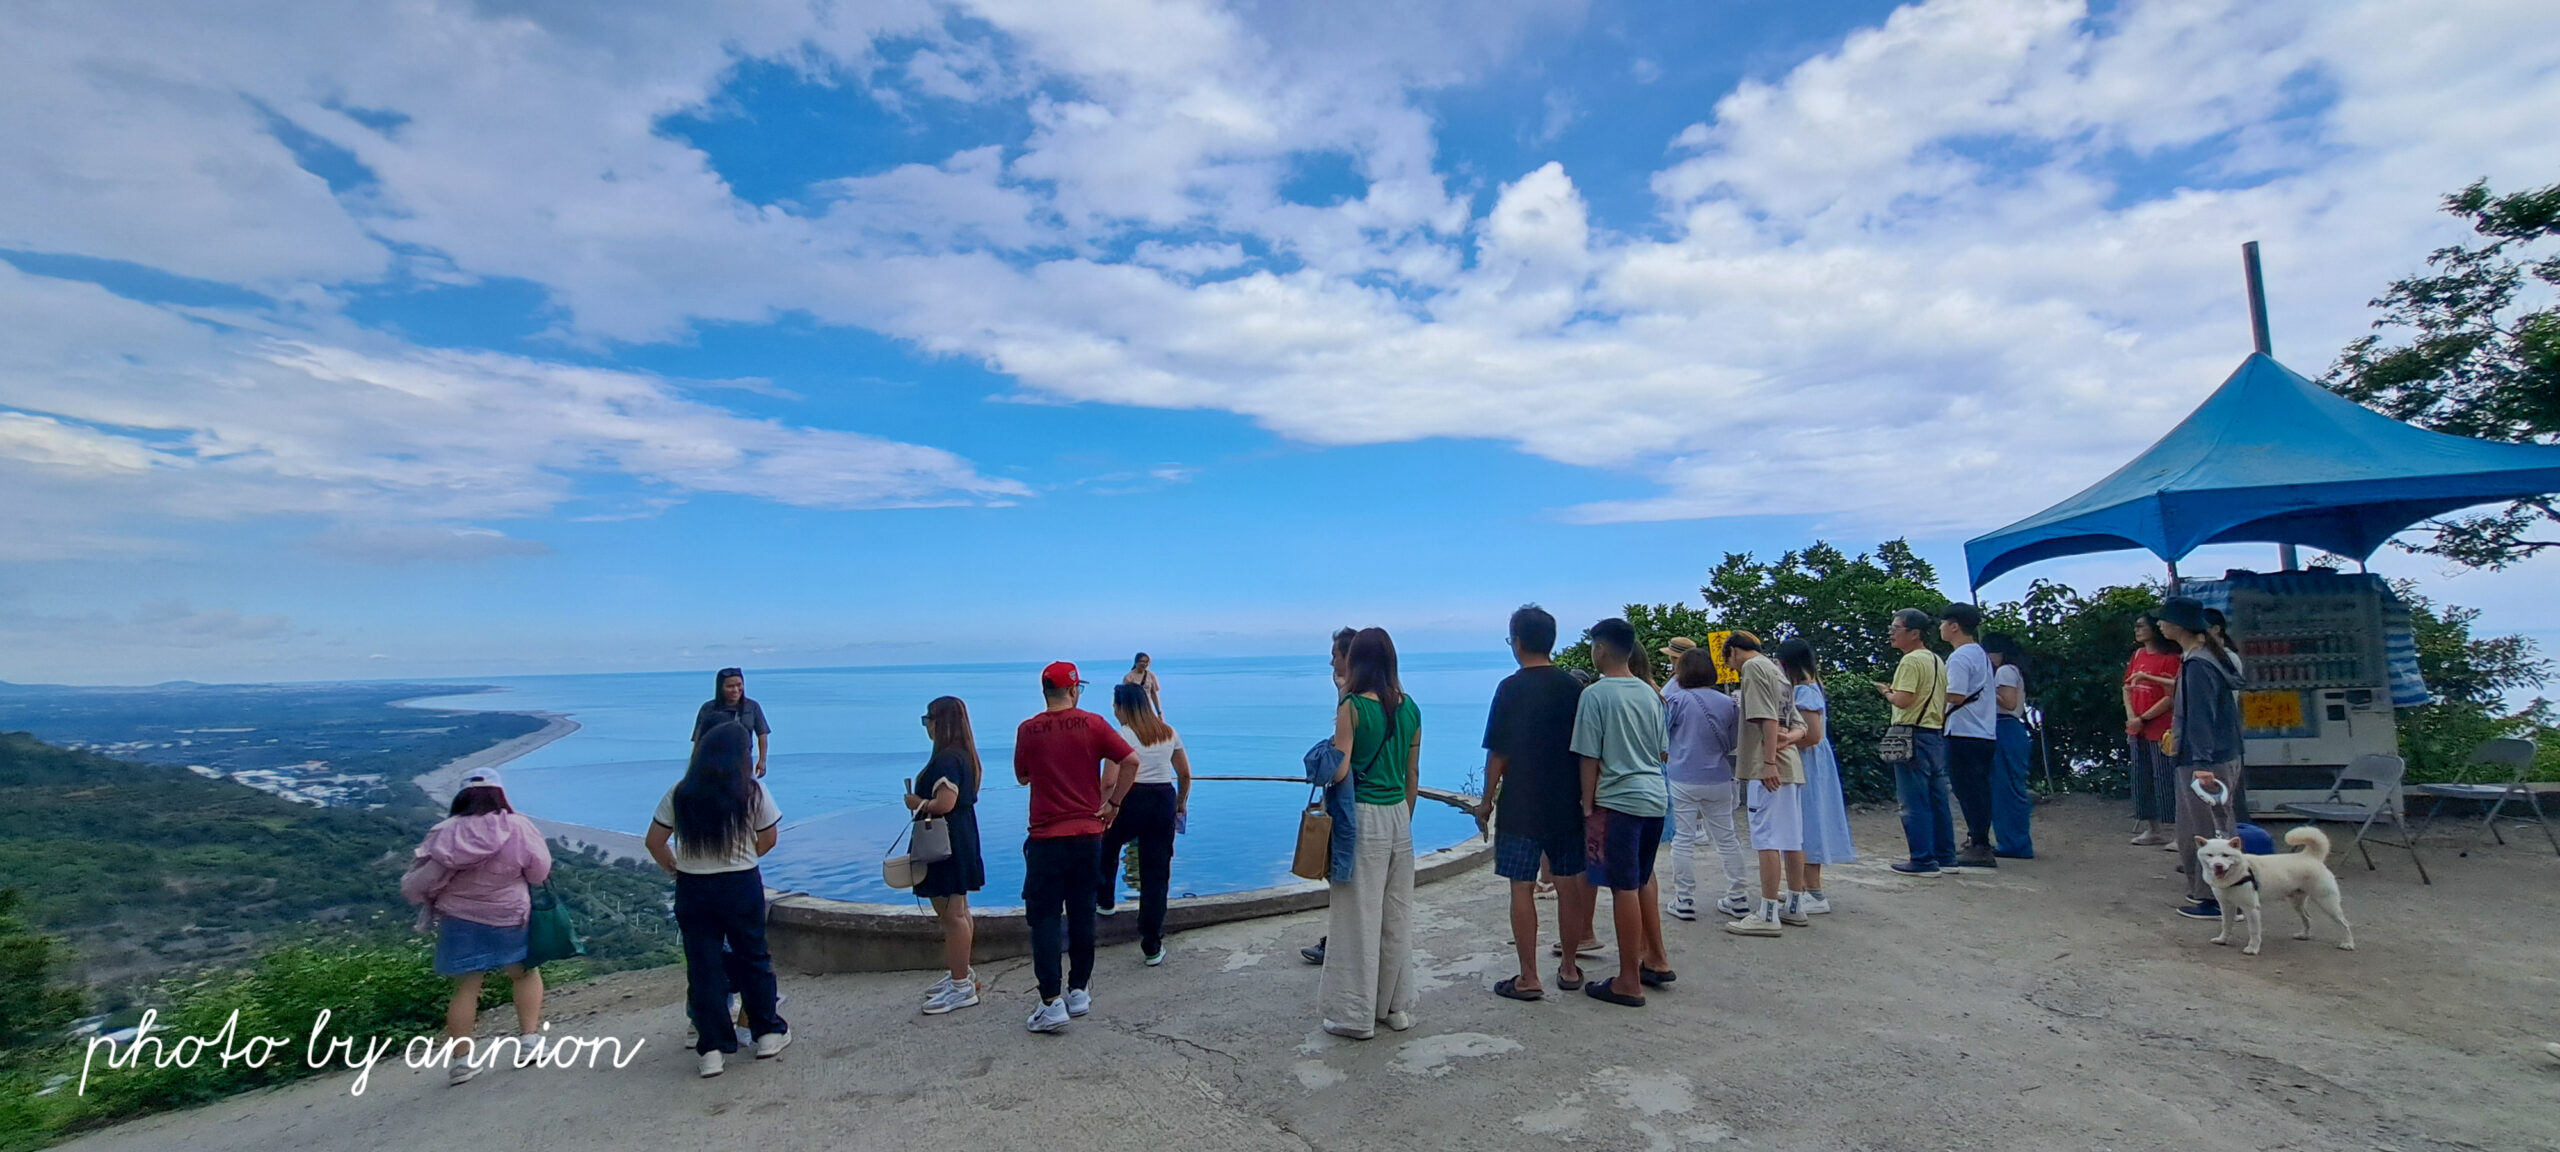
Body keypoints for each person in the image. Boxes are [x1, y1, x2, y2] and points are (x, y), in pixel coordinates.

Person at [645, 722, 788, 1077]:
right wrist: (743, 857)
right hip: (740, 883)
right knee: (753, 957)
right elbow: (769, 838)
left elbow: (654, 842)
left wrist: (677, 869)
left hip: (694, 887)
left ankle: (711, 1049)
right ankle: (767, 1033)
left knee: (704, 967)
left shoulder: (681, 793)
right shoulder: (752, 792)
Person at [400, 768, 553, 1086]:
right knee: (524, 974)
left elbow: (419, 884)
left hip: (459, 919)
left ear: (462, 796)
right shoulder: (518, 826)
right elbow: (539, 872)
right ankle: (529, 1041)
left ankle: (462, 1062)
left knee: (466, 988)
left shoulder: (444, 832)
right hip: (509, 915)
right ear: (500, 794)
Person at [1014, 661, 1141, 1034]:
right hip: (1087, 836)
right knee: (1083, 913)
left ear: (1045, 692)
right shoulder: (1093, 724)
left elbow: (1022, 777)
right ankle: (1079, 990)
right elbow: (1130, 761)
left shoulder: (1028, 729)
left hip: (1045, 839)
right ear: (1073, 690)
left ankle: (1050, 1001)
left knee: (1045, 918)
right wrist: (1114, 804)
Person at [1478, 605, 1591, 1001]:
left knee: (1521, 888)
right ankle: (1570, 967)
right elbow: (1587, 749)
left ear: (1518, 642)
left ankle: (1529, 976)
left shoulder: (1510, 688)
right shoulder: (1573, 688)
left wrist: (1486, 802)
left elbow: (1498, 753)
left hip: (1521, 803)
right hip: (1567, 801)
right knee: (1568, 883)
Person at [1320, 627, 1424, 1038]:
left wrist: (1329, 745)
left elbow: (1340, 769)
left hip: (1363, 817)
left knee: (1356, 918)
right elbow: (1412, 774)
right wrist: (1404, 819)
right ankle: (1393, 1007)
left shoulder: (1353, 706)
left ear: (1356, 661)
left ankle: (1355, 1016)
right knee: (1396, 917)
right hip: (1399, 816)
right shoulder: (1411, 707)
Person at [1571, 618, 1673, 1004]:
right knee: (1642, 879)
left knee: (1623, 888)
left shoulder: (1595, 695)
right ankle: (1654, 960)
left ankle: (1628, 980)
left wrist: (1586, 803)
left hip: (1618, 802)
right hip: (1654, 798)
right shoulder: (1650, 693)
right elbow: (1662, 751)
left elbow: (1589, 756)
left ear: (1600, 648)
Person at [2157, 598, 2247, 921]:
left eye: (2163, 619)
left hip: (2207, 759)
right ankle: (2207, 891)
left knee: (2208, 828)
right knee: (2200, 825)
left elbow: (2201, 717)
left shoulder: (2199, 663)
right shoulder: (2204, 656)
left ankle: (2219, 899)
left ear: (2179, 625)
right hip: (2215, 754)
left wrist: (2202, 763)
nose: (2159, 625)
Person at [1721, 631, 1808, 937]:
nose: (1731, 668)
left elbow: (1767, 718)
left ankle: (1767, 913)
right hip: (1790, 764)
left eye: (1729, 661)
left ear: (1734, 651)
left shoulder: (1753, 668)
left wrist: (1768, 761)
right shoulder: (1776, 670)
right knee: (1792, 838)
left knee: (1767, 839)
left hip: (1767, 765)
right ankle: (1795, 905)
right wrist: (1787, 740)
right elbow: (1799, 726)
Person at [1098, 682, 1190, 966]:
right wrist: (1181, 802)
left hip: (1130, 798)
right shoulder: (1168, 732)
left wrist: (1105, 805)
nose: (1114, 711)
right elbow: (1185, 774)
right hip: (1162, 798)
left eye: (1115, 706)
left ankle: (1105, 902)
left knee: (1107, 846)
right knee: (1156, 872)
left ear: (1123, 707)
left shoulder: (1121, 735)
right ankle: (1151, 944)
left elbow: (1109, 780)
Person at [910, 696, 986, 1015]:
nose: (926, 726)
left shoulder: (946, 760)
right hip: (962, 838)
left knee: (952, 915)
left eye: (928, 719)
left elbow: (945, 803)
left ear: (939, 723)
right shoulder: (965, 756)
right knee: (959, 910)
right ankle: (961, 973)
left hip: (946, 842)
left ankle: (960, 985)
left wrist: (916, 803)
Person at [1661, 646, 1748, 921]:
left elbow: (1662, 738)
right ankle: (1738, 897)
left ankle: (1684, 899)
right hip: (1719, 777)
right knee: (1727, 838)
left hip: (1682, 776)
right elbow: (1733, 743)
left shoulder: (1676, 701)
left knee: (1683, 840)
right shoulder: (1728, 704)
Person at [1878, 608, 1957, 876]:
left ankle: (1922, 860)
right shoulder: (1936, 660)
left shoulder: (1910, 661)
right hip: (1934, 733)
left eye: (1896, 628)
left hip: (1910, 734)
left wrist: (1887, 692)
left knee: (1913, 800)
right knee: (1937, 799)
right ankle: (1946, 857)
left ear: (1914, 633)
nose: (1891, 633)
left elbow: (1904, 700)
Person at [1778, 638, 1855, 911]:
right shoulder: (1810, 687)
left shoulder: (1805, 691)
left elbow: (1812, 735)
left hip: (1808, 765)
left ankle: (1815, 892)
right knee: (1800, 824)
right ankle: (1799, 887)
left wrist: (1781, 737)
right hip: (1809, 763)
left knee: (1807, 823)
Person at [1302, 627, 1359, 968]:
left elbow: (1338, 768)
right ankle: (1339, 941)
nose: (1330, 662)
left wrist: (1342, 698)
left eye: (1335, 655)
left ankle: (1339, 945)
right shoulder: (1397, 702)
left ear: (1348, 658)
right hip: (1389, 809)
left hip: (1355, 808)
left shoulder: (1353, 705)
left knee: (1346, 882)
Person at [1939, 604, 2000, 867]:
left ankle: (1979, 845)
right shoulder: (1979, 653)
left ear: (1954, 626)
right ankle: (1979, 839)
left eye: (1943, 623)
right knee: (1978, 789)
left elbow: (1956, 694)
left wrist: (1928, 693)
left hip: (1964, 731)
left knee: (1968, 789)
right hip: (1983, 731)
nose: (1940, 628)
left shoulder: (1960, 657)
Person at [2123, 614, 2181, 846]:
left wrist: (2144, 718)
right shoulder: (2138, 655)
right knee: (2142, 778)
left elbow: (2171, 696)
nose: (2136, 630)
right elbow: (2127, 687)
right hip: (2137, 728)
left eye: (2141, 626)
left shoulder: (2171, 658)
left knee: (2166, 778)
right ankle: (2152, 828)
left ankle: (2178, 831)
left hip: (2161, 727)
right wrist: (2132, 717)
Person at [1983, 633, 2037, 859]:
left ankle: (2014, 842)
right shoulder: (2013, 670)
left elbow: (2009, 702)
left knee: (2006, 789)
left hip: (2004, 727)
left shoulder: (2005, 671)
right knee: (2007, 787)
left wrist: (1986, 688)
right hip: (2010, 729)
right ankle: (2013, 841)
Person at [691, 668, 772, 778]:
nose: (735, 690)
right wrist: (694, 766)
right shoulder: (708, 709)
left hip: (742, 763)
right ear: (720, 688)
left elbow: (762, 734)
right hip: (713, 764)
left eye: (739, 685)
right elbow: (698, 739)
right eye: (730, 686)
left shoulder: (752, 707)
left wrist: (762, 761)